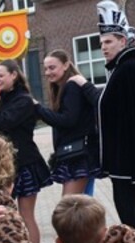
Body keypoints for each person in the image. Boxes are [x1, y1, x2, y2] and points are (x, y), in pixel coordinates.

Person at [81, 1, 135, 231]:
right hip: (124, 155)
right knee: (127, 205)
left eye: (108, 42)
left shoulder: (128, 69)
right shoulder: (122, 68)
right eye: (101, 43)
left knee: (128, 206)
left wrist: (85, 87)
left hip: (127, 157)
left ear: (123, 41)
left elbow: (127, 114)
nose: (103, 47)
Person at [0, 59, 51, 243]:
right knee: (6, 214)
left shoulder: (23, 100)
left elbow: (3, 122)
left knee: (26, 215)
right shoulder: (2, 98)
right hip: (7, 165)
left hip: (25, 163)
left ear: (14, 75)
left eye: (1, 75)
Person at [35, 50, 99, 197]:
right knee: (83, 202)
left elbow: (68, 120)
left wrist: (38, 109)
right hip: (81, 152)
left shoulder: (71, 86)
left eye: (52, 68)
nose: (48, 72)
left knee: (69, 204)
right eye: (46, 69)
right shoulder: (63, 87)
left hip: (78, 155)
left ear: (65, 65)